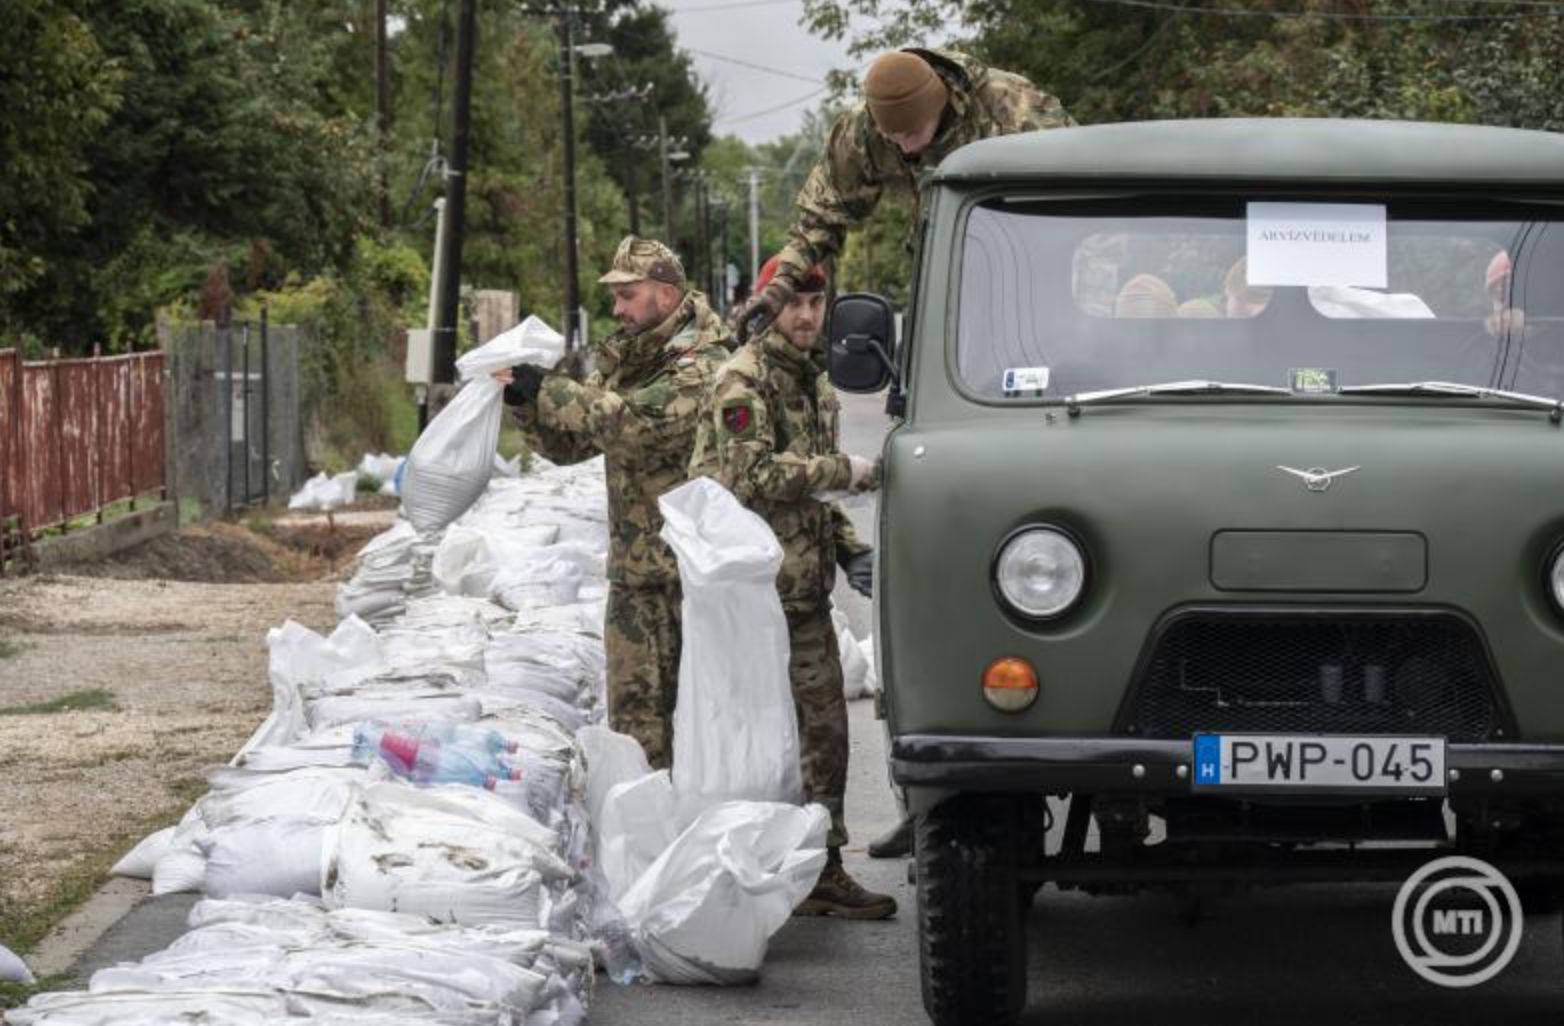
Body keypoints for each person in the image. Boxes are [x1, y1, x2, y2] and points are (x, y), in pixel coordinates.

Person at [690, 254, 895, 918]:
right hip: (750, 603)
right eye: (794, 303)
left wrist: (849, 546)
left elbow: (812, 497)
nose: (807, 315)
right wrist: (846, 469)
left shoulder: (817, 387)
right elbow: (753, 476)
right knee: (752, 744)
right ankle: (746, 871)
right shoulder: (743, 381)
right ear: (768, 304)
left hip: (804, 596)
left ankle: (822, 868)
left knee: (825, 732)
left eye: (816, 302)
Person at [498, 236, 731, 770]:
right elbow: (572, 443)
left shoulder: (704, 361)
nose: (617, 308)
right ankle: (648, 841)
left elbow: (637, 427)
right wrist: (526, 405)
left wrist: (551, 390)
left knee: (703, 730)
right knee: (635, 729)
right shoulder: (628, 358)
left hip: (693, 581)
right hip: (635, 577)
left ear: (666, 295)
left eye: (628, 294)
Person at [735, 48, 1075, 341]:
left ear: (940, 107)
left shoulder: (1012, 112)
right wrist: (780, 286)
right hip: (941, 283)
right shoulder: (862, 132)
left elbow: (1090, 198)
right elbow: (820, 217)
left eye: (912, 133)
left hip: (1034, 276)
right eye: (891, 136)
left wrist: (1115, 281)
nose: (904, 146)